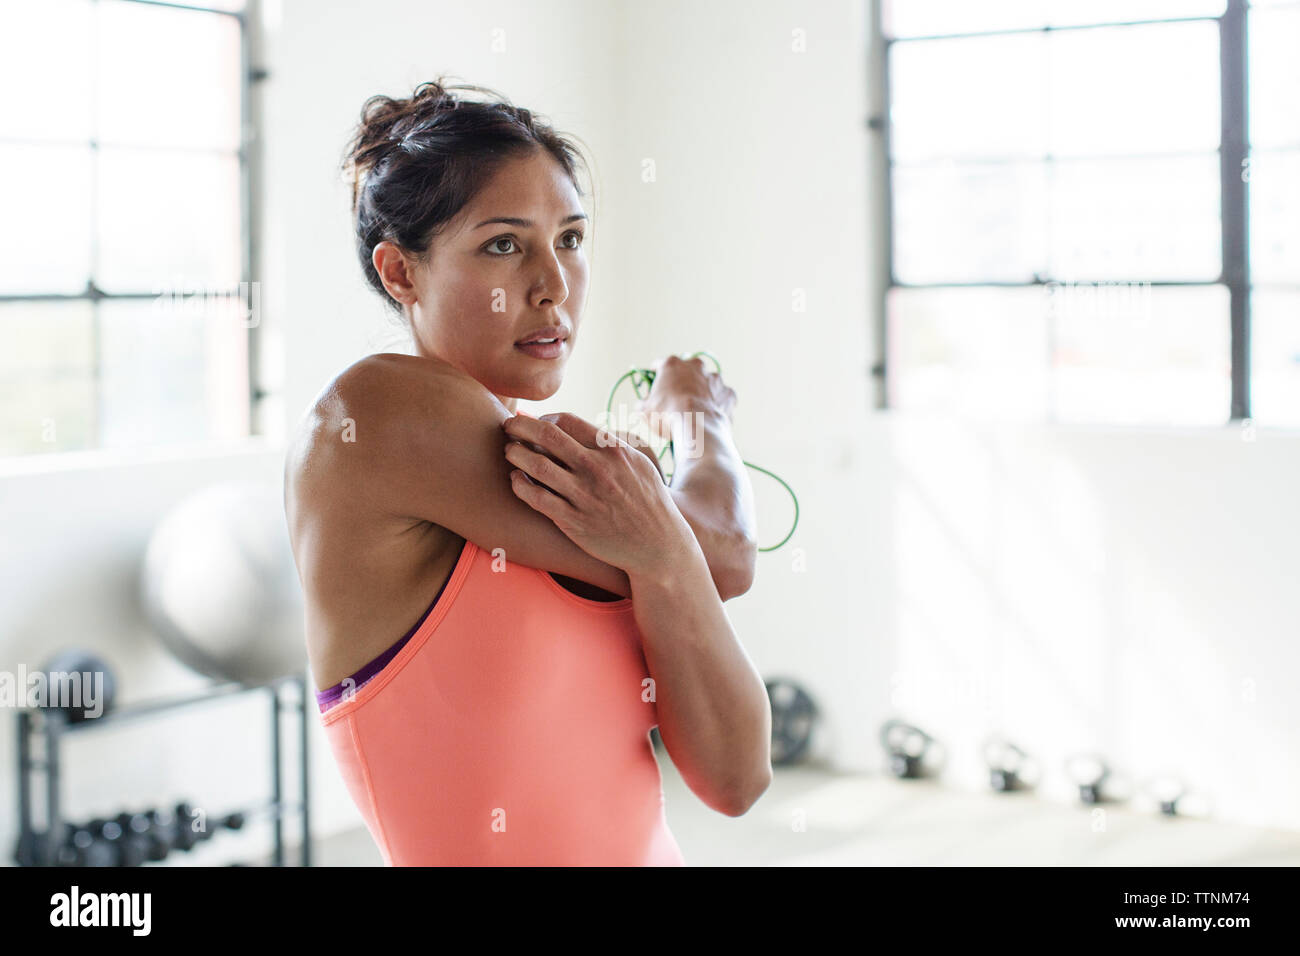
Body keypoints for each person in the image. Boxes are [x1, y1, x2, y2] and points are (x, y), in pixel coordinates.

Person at [283, 78, 772, 866]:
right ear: (400, 273)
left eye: (570, 239)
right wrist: (699, 420)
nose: (552, 287)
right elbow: (727, 554)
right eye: (504, 244)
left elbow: (738, 777)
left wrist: (658, 544)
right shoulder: (375, 414)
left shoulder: (554, 467)